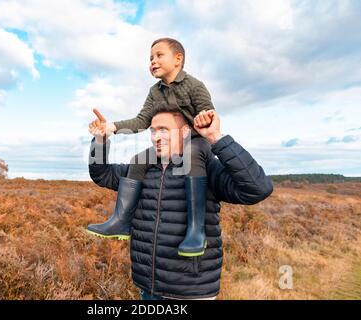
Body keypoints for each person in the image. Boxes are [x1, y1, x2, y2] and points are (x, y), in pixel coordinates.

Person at [88, 103, 273, 299]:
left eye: (164, 130)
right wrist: (100, 141)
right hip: (148, 287)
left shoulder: (206, 169)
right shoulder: (141, 170)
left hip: (190, 290)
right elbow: (103, 175)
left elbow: (258, 188)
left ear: (185, 132)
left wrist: (216, 138)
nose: (156, 137)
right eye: (153, 131)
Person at [87, 37, 217, 257]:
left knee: (191, 153)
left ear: (178, 59)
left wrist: (205, 119)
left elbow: (209, 115)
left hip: (195, 141)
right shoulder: (154, 92)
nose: (153, 61)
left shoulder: (195, 86)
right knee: (139, 159)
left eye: (159, 55)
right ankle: (121, 222)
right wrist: (111, 127)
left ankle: (196, 230)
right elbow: (141, 121)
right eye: (150, 58)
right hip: (169, 149)